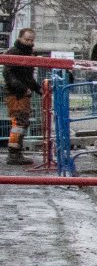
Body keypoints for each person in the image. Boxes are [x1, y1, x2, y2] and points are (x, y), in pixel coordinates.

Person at [5, 28, 39, 166]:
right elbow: (9, 75)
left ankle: (15, 152)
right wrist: (24, 88)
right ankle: (14, 154)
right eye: (27, 39)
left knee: (21, 122)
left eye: (31, 40)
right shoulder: (14, 53)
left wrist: (37, 88)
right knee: (19, 122)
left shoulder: (27, 54)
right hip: (17, 94)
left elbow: (28, 78)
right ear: (20, 38)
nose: (29, 42)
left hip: (21, 93)